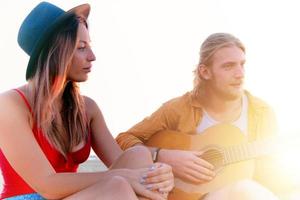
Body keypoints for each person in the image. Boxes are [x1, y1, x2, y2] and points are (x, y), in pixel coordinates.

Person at [0, 2, 174, 200]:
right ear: (55, 52)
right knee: (117, 186)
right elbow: (47, 185)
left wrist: (158, 174)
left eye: (89, 46)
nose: (92, 57)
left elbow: (128, 168)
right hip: (29, 197)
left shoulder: (87, 109)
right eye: (81, 48)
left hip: (77, 196)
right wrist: (123, 176)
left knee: (139, 157)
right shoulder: (9, 105)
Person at [116, 33, 286, 199]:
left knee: (245, 188)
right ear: (205, 72)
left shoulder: (261, 113)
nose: (240, 74)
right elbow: (123, 140)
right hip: (181, 196)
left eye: (242, 64)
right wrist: (161, 155)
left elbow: (272, 176)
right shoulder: (178, 109)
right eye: (228, 66)